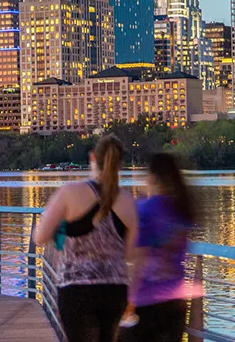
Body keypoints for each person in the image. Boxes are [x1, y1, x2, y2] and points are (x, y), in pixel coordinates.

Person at [34, 135, 139, 342]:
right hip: (115, 289)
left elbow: (40, 237)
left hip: (76, 289)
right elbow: (130, 253)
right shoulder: (129, 202)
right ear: (120, 163)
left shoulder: (70, 193)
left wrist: (54, 228)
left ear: (92, 157)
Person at [120, 153, 197, 342]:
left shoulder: (145, 210)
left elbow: (136, 258)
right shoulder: (183, 210)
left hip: (147, 301)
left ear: (153, 177)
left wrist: (129, 300)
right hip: (176, 301)